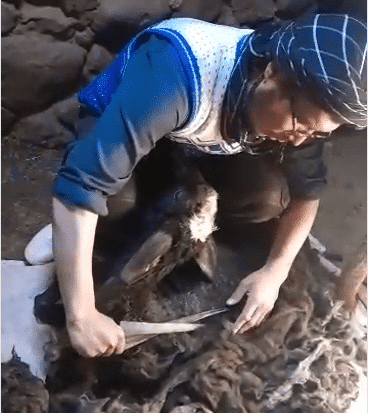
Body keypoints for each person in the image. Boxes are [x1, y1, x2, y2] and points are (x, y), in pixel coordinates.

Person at [49, 13, 366, 358]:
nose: (300, 137)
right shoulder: (173, 73)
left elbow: (307, 194)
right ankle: (82, 230)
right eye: (300, 123)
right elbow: (84, 185)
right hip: (129, 121)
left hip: (200, 140)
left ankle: (181, 200)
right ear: (270, 72)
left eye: (318, 132)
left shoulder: (299, 109)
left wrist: (275, 272)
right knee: (113, 204)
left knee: (266, 200)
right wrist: (80, 315)